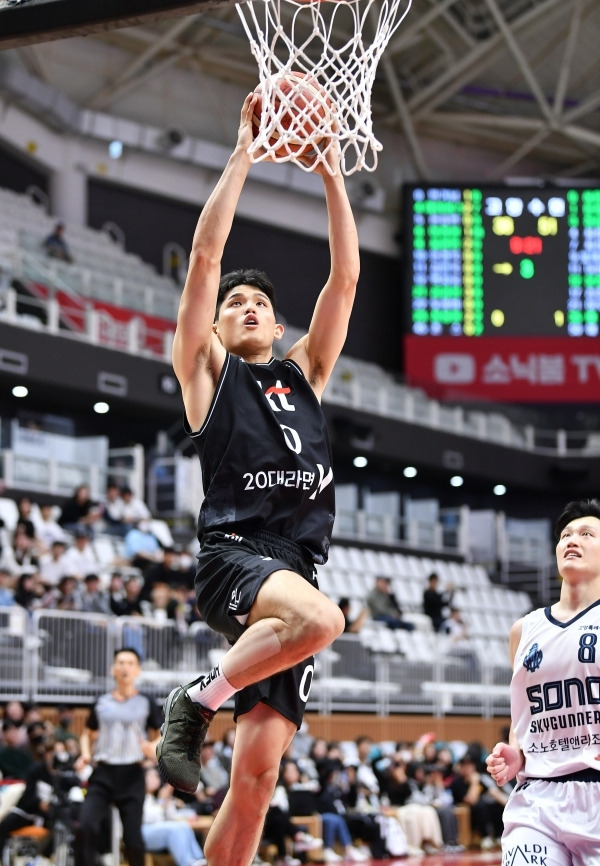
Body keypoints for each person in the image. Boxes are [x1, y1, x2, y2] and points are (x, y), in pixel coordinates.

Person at [155, 91, 359, 866]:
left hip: (294, 568)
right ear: (213, 325)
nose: (244, 306)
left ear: (278, 328)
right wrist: (244, 151)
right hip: (237, 554)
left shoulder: (303, 371)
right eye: (232, 303)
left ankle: (206, 698)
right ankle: (196, 698)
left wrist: (333, 172)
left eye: (260, 304)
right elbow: (206, 259)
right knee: (324, 621)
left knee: (257, 778)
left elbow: (344, 280)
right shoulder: (206, 372)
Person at [486, 497, 600, 863]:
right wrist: (516, 752)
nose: (572, 539)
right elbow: (524, 713)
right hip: (536, 799)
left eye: (586, 533)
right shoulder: (524, 629)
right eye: (566, 534)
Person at [73, 647, 162, 866]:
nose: (125, 667)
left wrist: (153, 746)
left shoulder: (146, 701)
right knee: (86, 826)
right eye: (120, 663)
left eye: (130, 663)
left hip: (132, 775)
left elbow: (162, 734)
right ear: (113, 669)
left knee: (133, 840)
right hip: (103, 773)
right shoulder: (101, 701)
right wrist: (85, 754)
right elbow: (87, 733)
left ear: (138, 670)